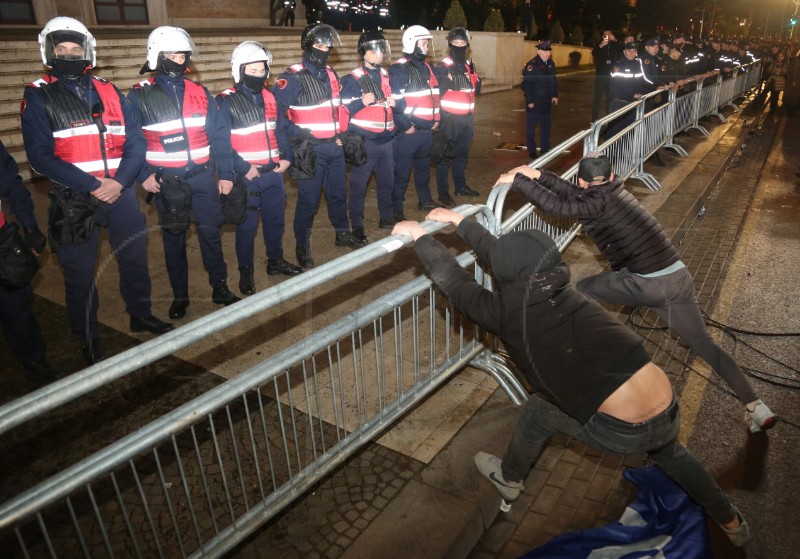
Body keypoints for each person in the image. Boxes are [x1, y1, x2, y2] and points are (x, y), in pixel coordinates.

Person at [391, 209, 751, 548]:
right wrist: (460, 222)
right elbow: (507, 257)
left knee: (536, 410)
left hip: (623, 428)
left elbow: (455, 282)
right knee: (673, 454)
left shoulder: (505, 315)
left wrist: (420, 238)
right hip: (667, 407)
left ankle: (509, 478)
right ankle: (731, 521)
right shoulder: (565, 289)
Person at [495, 153, 777, 433]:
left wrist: (518, 181)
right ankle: (756, 406)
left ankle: (586, 364)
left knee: (581, 290)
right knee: (705, 345)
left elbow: (559, 206)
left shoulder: (594, 200)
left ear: (582, 181)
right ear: (611, 176)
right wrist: (539, 176)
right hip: (678, 277)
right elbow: (573, 197)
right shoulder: (614, 190)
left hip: (646, 284)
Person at [22, 17, 173, 366]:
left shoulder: (110, 91)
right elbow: (40, 158)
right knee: (79, 273)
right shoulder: (37, 94)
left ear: (88, 51)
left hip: (120, 194)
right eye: (62, 50)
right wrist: (94, 186)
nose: (70, 55)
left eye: (76, 49)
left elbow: (135, 142)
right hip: (75, 200)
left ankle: (140, 313)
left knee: (134, 260)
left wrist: (119, 182)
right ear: (49, 52)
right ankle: (87, 334)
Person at [128, 26, 240, 320]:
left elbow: (219, 136)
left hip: (203, 177)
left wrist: (226, 174)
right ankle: (180, 297)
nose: (178, 59)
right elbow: (132, 141)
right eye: (171, 54)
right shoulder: (139, 96)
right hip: (167, 182)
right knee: (173, 239)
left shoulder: (200, 92)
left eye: (182, 54)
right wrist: (143, 175)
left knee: (211, 235)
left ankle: (220, 286)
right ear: (157, 56)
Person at [273, 23, 364, 270]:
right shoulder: (290, 78)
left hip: (333, 148)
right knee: (308, 202)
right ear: (307, 45)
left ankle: (342, 233)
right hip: (309, 150)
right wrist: (298, 136)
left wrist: (341, 133)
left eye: (328, 45)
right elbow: (277, 117)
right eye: (320, 45)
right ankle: (302, 246)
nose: (325, 49)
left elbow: (337, 109)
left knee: (337, 195)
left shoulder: (331, 73)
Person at [216, 41, 303, 297]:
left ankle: (275, 260)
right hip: (248, 178)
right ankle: (246, 271)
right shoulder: (224, 101)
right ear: (240, 70)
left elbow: (281, 130)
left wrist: (286, 157)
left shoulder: (271, 97)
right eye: (252, 70)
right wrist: (243, 168)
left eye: (262, 70)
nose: (259, 75)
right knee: (246, 227)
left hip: (273, 174)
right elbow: (219, 143)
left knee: (275, 222)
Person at [0, 140, 63, 381]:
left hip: (2, 240)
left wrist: (29, 225)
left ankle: (33, 358)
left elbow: (8, 179)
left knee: (16, 301)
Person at [340, 30, 397, 233]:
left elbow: (388, 103)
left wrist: (394, 103)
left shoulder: (384, 75)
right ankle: (356, 223)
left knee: (387, 182)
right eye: (375, 50)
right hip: (366, 141)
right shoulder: (351, 79)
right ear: (364, 53)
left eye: (382, 49)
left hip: (387, 140)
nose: (380, 53)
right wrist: (360, 102)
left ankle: (387, 217)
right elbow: (342, 110)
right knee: (358, 186)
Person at [389, 25, 442, 219]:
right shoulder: (399, 68)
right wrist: (406, 126)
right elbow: (394, 102)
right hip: (409, 132)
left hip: (426, 130)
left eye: (427, 42)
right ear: (412, 43)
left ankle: (425, 199)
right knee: (401, 172)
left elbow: (434, 94)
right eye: (424, 42)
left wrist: (436, 118)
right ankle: (395, 207)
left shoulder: (427, 66)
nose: (427, 46)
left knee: (423, 169)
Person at [433, 27, 481, 208]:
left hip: (467, 117)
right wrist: (448, 81)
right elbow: (438, 91)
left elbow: (475, 87)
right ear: (450, 44)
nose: (460, 46)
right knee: (445, 155)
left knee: (461, 155)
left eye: (463, 43)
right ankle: (443, 192)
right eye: (456, 43)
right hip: (450, 118)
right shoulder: (443, 66)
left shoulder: (469, 64)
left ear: (467, 44)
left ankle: (460, 186)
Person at [521, 40, 558, 160]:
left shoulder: (551, 64)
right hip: (534, 103)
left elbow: (554, 81)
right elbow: (526, 85)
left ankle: (545, 147)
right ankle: (531, 150)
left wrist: (555, 95)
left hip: (546, 102)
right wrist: (529, 101)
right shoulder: (532, 65)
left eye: (548, 51)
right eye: (544, 51)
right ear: (539, 51)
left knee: (546, 127)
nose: (547, 54)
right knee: (531, 128)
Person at [591, 30, 622, 121]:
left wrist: (615, 40)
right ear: (603, 36)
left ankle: (610, 116)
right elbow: (593, 53)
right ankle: (594, 118)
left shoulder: (614, 44)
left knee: (610, 97)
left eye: (609, 34)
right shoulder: (600, 44)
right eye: (605, 34)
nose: (607, 36)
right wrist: (601, 45)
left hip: (611, 75)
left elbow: (622, 47)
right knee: (597, 97)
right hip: (600, 75)